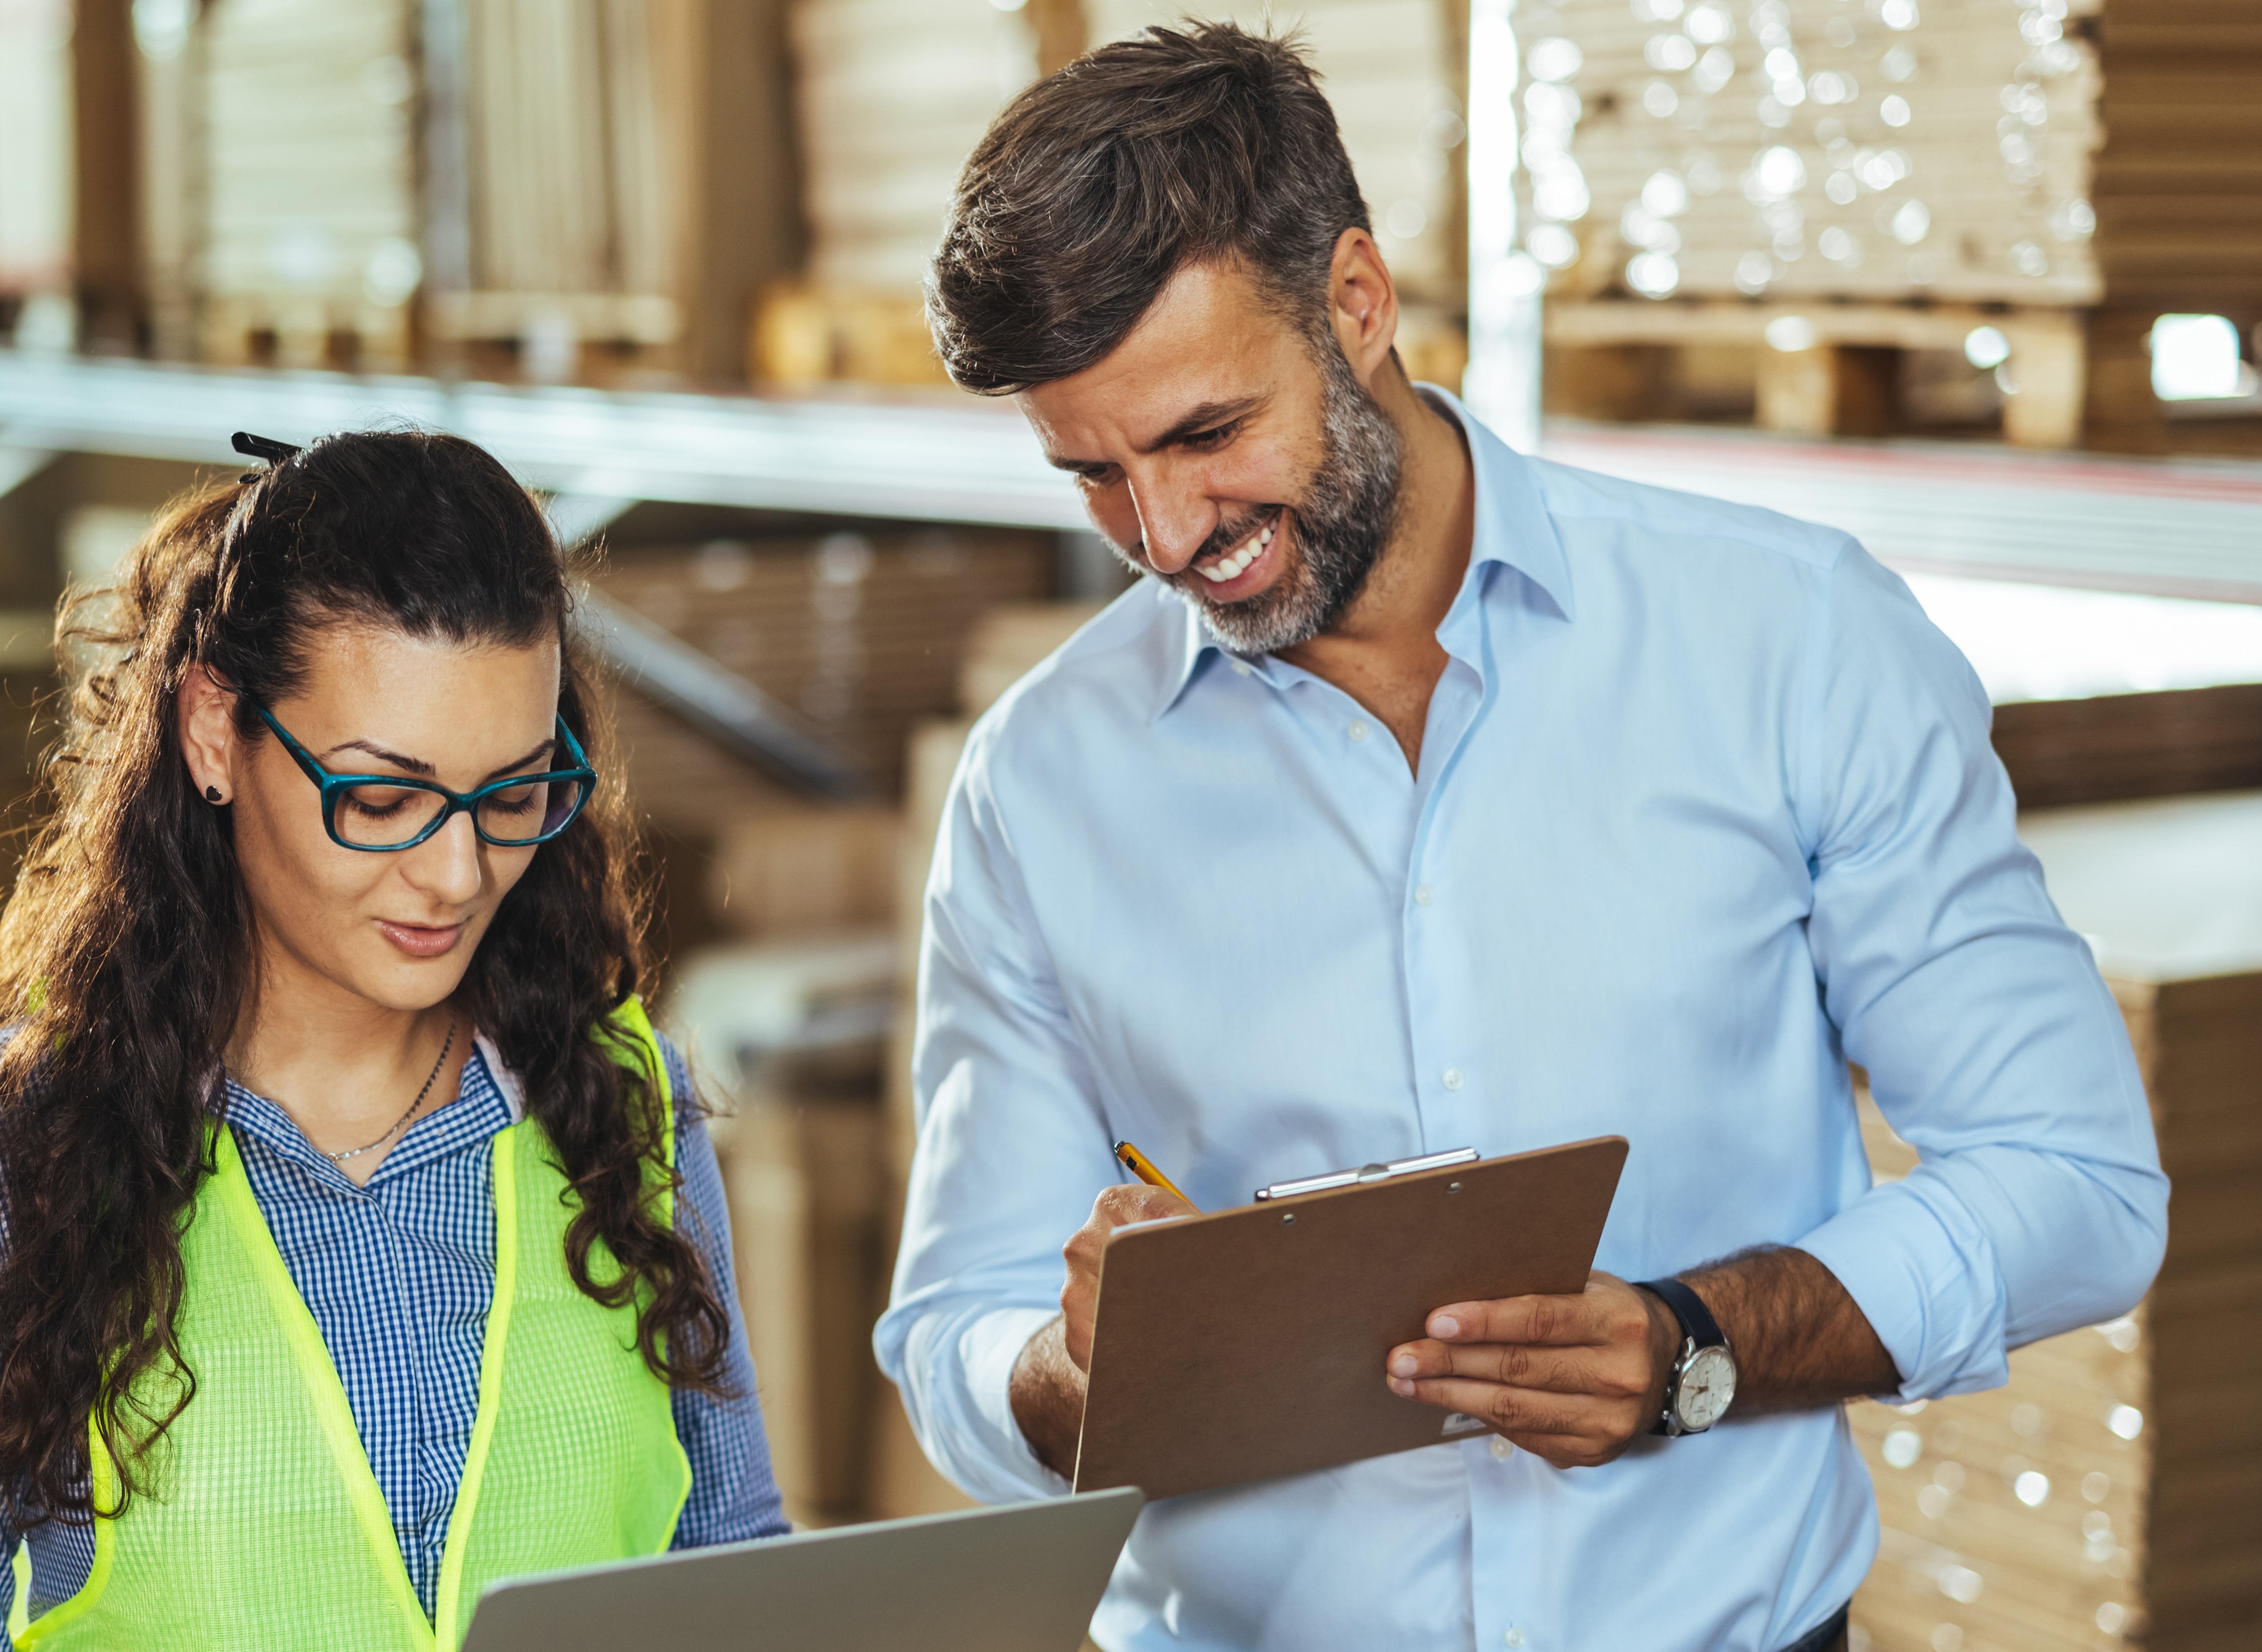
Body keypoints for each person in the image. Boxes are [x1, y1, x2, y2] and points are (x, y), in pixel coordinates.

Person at [874, 26, 2167, 1652]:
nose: (1166, 536)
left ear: (1356, 302)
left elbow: (2076, 1180)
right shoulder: (1040, 788)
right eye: (1093, 476)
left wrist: (1699, 1345)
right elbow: (953, 1337)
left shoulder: (1787, 643)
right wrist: (1084, 1364)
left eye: (1208, 435)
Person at [0, 429, 789, 1649]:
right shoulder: (3, 1149)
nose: (456, 874)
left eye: (515, 794)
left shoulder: (621, 1102)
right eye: (382, 799)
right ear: (216, 731)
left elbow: (734, 1564)